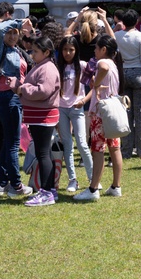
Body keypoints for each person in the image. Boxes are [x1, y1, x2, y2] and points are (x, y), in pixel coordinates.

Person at [74, 36, 124, 201]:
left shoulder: (105, 63)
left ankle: (93, 188)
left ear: (104, 50)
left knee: (98, 150)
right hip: (113, 111)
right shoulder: (115, 65)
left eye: (97, 48)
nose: (94, 51)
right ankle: (116, 186)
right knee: (114, 149)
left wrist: (96, 83)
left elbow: (102, 67)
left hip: (100, 113)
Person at [0, 18, 35, 199]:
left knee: (8, 142)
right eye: (11, 32)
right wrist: (18, 21)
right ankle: (16, 184)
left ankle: (2, 183)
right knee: (14, 144)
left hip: (15, 98)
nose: (14, 36)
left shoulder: (17, 50)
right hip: (8, 98)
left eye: (16, 32)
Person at [16, 36, 61, 206]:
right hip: (39, 115)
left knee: (43, 154)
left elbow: (43, 91)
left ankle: (46, 192)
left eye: (35, 51)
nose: (32, 54)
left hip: (43, 116)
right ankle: (50, 190)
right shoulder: (43, 66)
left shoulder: (47, 68)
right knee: (45, 153)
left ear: (46, 52)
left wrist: (22, 89)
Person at [114, 9, 141, 160]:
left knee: (126, 115)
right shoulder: (140, 36)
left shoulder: (117, 36)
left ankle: (126, 150)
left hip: (123, 75)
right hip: (139, 75)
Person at [57, 35, 93, 192]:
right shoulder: (57, 66)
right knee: (67, 145)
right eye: (65, 49)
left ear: (76, 50)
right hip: (61, 108)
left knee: (82, 143)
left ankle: (93, 178)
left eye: (71, 50)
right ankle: (73, 179)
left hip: (77, 108)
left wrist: (83, 101)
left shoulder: (83, 66)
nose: (67, 53)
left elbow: (94, 87)